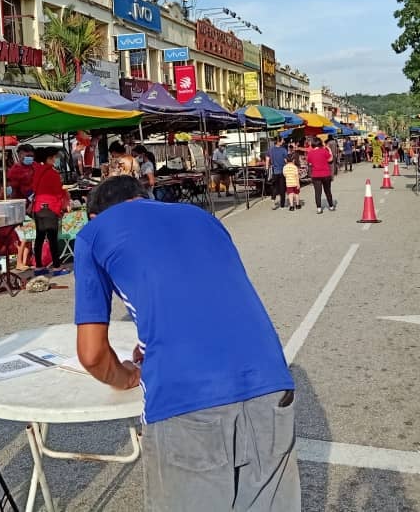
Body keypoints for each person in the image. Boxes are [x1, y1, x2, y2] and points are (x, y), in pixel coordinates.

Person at [74, 176, 299, 512]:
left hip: (184, 396)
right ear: (146, 197)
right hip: (269, 381)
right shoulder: (201, 218)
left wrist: (126, 376)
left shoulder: (93, 233)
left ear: (95, 215)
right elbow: (206, 295)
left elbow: (91, 355)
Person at [30, 147, 70, 270]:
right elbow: (57, 192)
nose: (56, 159)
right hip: (51, 207)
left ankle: (39, 266)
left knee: (39, 237)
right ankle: (57, 267)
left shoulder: (37, 171)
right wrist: (64, 200)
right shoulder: (53, 174)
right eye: (55, 157)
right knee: (52, 238)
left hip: (38, 207)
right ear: (49, 158)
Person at [306, 137, 336, 214]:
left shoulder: (310, 153)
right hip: (326, 174)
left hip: (315, 175)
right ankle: (331, 206)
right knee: (327, 191)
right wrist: (329, 150)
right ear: (320, 143)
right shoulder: (324, 151)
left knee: (317, 192)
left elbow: (309, 163)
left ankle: (319, 208)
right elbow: (330, 160)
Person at [265, 137, 289, 210]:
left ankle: (273, 202)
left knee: (274, 187)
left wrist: (266, 168)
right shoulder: (283, 150)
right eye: (282, 140)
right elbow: (286, 160)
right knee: (282, 187)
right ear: (279, 141)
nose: (283, 141)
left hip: (274, 171)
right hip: (282, 171)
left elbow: (267, 159)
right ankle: (282, 205)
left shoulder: (270, 150)